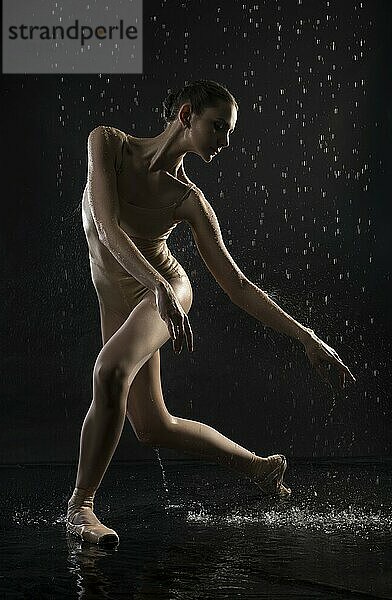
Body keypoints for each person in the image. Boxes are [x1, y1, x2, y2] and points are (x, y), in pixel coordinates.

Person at [66, 79, 356, 545]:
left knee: (109, 371)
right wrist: (152, 283)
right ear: (185, 116)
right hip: (134, 289)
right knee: (152, 426)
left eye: (229, 132)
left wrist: (306, 336)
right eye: (217, 127)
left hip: (166, 291)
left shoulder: (188, 199)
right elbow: (105, 222)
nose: (224, 141)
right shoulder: (108, 143)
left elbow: (238, 286)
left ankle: (80, 508)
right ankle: (259, 468)